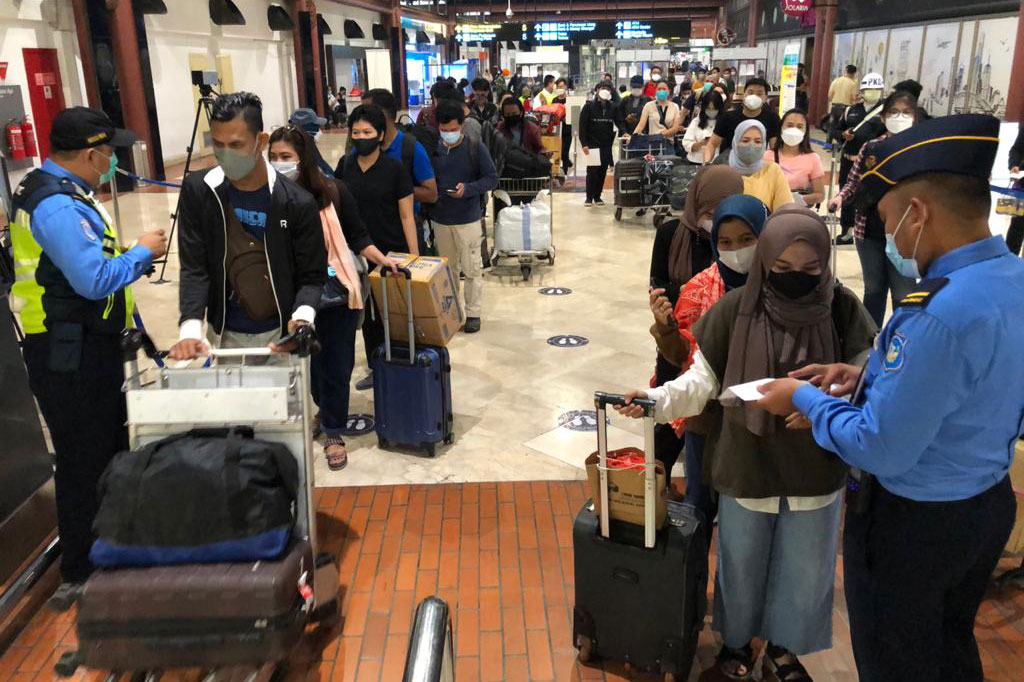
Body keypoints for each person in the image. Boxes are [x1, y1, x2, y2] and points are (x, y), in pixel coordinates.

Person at [756, 114, 1024, 682]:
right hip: (985, 505)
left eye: (887, 221)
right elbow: (968, 385)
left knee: (896, 657)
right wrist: (865, 378)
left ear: (918, 213)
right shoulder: (1010, 279)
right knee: (947, 645)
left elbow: (881, 445)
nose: (893, 239)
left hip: (915, 525)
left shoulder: (939, 313)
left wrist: (805, 398)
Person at [621, 205, 875, 681]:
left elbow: (870, 380)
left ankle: (783, 652)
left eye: (809, 270)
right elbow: (701, 383)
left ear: (826, 264)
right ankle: (736, 646)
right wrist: (654, 400)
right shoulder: (732, 312)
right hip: (746, 464)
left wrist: (833, 399)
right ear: (764, 264)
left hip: (814, 469)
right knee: (741, 565)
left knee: (805, 572)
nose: (795, 279)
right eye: (781, 269)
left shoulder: (843, 309)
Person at [9, 107, 168, 584]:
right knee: (84, 461)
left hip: (77, 343)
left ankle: (112, 546)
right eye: (110, 153)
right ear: (93, 153)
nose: (113, 161)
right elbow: (93, 279)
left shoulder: (52, 188)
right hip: (68, 353)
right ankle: (83, 569)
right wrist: (143, 251)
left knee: (104, 447)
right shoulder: (57, 206)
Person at [268, 126, 397, 469]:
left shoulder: (333, 191)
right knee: (308, 364)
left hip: (336, 294)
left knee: (337, 365)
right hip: (294, 298)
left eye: (287, 157)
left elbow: (358, 236)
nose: (280, 164)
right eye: (274, 158)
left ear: (303, 158)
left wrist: (381, 258)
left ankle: (335, 430)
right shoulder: (269, 197)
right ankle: (324, 410)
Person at [170, 92, 326, 362]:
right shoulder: (200, 191)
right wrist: (191, 327)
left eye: (236, 144)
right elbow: (194, 266)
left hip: (282, 335)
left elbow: (311, 276)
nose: (225, 154)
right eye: (218, 144)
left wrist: (302, 319)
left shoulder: (296, 202)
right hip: (225, 335)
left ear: (260, 141)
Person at [646, 194, 768, 515]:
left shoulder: (777, 287)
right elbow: (682, 357)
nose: (736, 251)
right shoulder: (699, 288)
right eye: (725, 241)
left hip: (760, 418)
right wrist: (666, 329)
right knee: (698, 502)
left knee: (745, 504)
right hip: (707, 416)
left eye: (746, 239)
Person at [337, 103, 418, 385]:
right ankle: (376, 367)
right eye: (356, 132)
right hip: (356, 253)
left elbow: (407, 215)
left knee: (395, 314)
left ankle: (403, 366)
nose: (361, 137)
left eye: (367, 131)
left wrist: (414, 256)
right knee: (367, 316)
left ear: (381, 135)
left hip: (392, 251)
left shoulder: (394, 169)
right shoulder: (345, 165)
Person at [829, 91, 919, 327]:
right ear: (883, 117)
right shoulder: (871, 148)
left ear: (915, 116)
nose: (899, 117)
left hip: (905, 234)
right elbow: (853, 181)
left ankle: (904, 339)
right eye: (893, 112)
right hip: (868, 230)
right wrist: (840, 198)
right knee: (874, 289)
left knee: (904, 293)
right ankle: (871, 339)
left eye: (906, 112)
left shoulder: (921, 149)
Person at [431, 101, 498, 334]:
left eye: (452, 129)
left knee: (471, 269)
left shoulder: (474, 147)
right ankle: (451, 313)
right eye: (444, 129)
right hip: (440, 219)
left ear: (461, 126)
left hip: (468, 219)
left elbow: (491, 178)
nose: (448, 134)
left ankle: (473, 313)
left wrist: (468, 189)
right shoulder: (433, 149)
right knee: (446, 272)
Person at [359, 88, 439, 260]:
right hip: (369, 232)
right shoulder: (360, 150)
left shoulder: (410, 148)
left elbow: (431, 194)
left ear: (383, 115)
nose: (361, 117)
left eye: (366, 112)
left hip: (404, 232)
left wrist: (395, 189)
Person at [648, 165, 744, 305]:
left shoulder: (744, 237)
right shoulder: (669, 233)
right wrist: (684, 290)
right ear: (696, 204)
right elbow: (656, 285)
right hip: (680, 320)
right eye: (710, 215)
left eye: (723, 216)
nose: (715, 223)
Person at [833, 73, 886, 244]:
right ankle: (847, 230)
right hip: (850, 159)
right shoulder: (851, 110)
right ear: (862, 91)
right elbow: (835, 130)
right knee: (847, 192)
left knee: (872, 194)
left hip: (874, 164)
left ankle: (872, 231)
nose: (872, 92)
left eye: (876, 89)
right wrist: (843, 134)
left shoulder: (886, 111)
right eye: (869, 89)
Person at [705, 77, 781, 162]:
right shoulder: (728, 117)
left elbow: (774, 148)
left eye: (759, 94)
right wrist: (706, 163)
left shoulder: (772, 118)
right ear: (744, 95)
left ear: (765, 97)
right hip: (730, 164)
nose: (754, 96)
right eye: (750, 92)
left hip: (757, 164)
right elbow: (712, 144)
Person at [728, 120, 792, 212]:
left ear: (764, 145)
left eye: (758, 142)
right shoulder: (722, 169)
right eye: (745, 141)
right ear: (735, 142)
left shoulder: (773, 171)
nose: (751, 145)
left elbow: (784, 211)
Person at [766, 109, 825, 206]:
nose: (794, 130)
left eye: (800, 127)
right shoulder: (766, 156)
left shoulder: (813, 158)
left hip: (798, 212)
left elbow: (820, 195)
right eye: (789, 125)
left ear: (805, 131)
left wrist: (798, 199)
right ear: (781, 128)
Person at [578, 81, 617, 206]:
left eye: (608, 88)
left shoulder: (613, 107)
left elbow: (619, 122)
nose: (605, 90)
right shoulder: (589, 107)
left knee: (602, 171)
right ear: (597, 90)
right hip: (592, 144)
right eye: (603, 88)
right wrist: (584, 143)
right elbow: (582, 126)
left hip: (606, 145)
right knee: (592, 171)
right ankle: (589, 197)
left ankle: (597, 196)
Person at [682, 91, 725, 165]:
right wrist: (702, 143)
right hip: (695, 162)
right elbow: (686, 142)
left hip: (717, 162)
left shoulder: (725, 121)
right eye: (709, 108)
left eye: (714, 109)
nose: (711, 111)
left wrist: (716, 142)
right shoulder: (696, 121)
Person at [289, 108, 334, 176]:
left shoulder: (309, 143)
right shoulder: (303, 149)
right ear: (306, 127)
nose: (318, 128)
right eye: (315, 125)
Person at [1007, 122, 1024, 256]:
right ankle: (1010, 263)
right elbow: (1016, 149)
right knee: (1016, 228)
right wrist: (1014, 164)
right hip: (1022, 185)